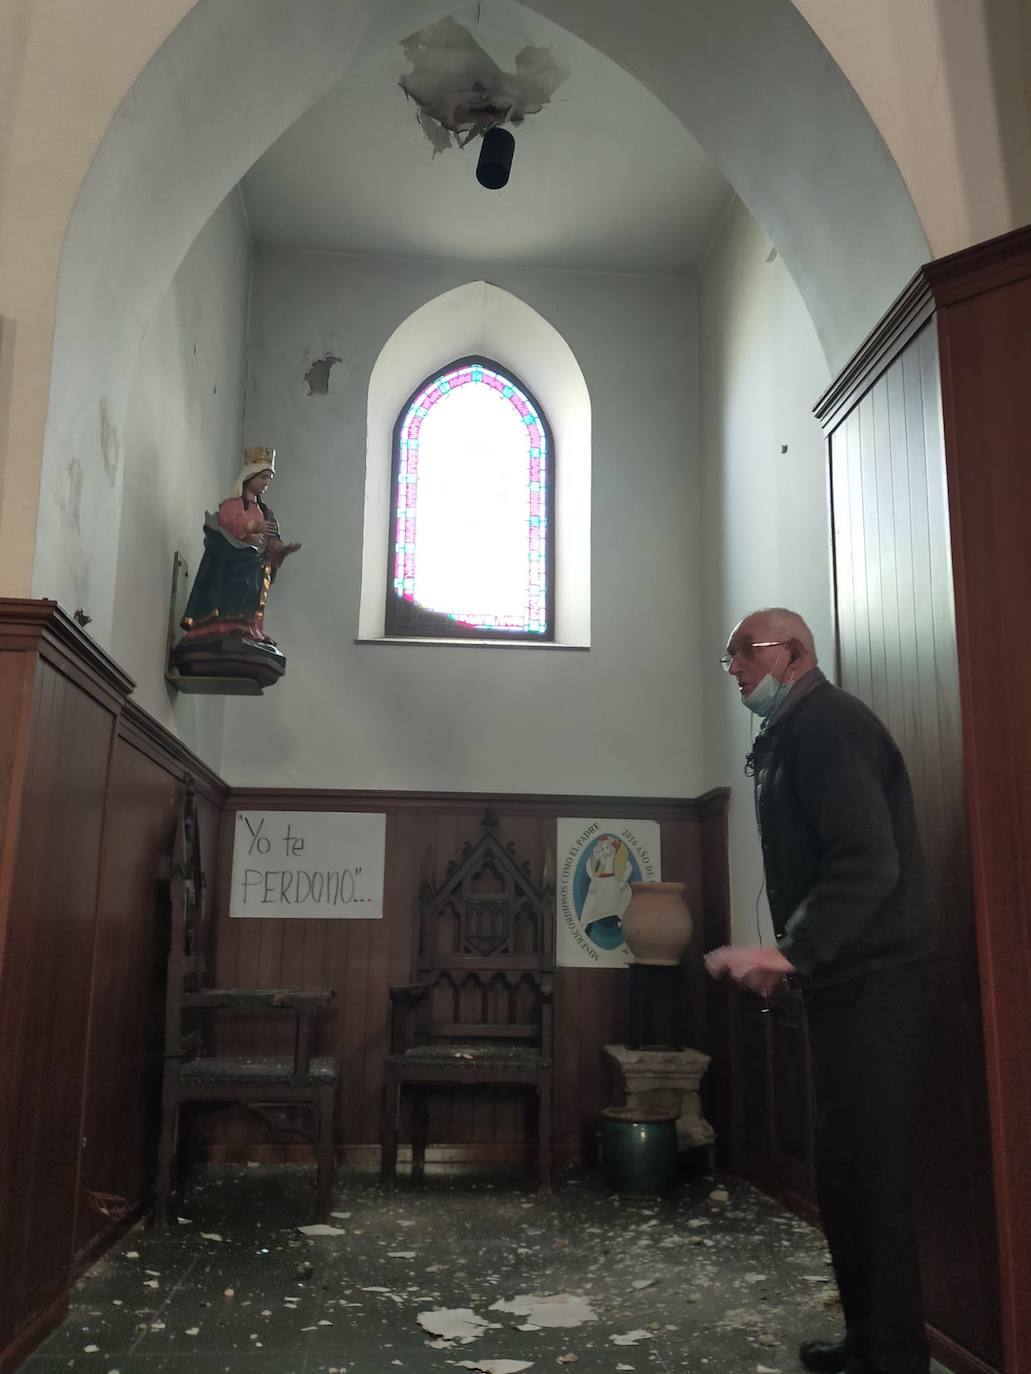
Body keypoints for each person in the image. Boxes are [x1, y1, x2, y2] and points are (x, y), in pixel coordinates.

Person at [704, 608, 937, 1374]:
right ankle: (870, 1342)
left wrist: (788, 951)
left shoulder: (830, 727)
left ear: (793, 654)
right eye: (729, 655)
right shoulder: (792, 734)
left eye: (746, 651)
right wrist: (797, 957)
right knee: (843, 1173)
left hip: (877, 980)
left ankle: (892, 1357)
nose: (733, 666)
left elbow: (868, 863)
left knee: (867, 1173)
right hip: (846, 979)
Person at [178, 446, 301, 649]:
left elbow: (271, 540)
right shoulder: (232, 504)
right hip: (232, 562)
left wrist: (282, 550)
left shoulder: (266, 512)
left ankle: (249, 628)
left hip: (256, 564)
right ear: (249, 476)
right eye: (262, 478)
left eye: (268, 480)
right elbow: (227, 524)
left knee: (256, 579)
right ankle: (225, 625)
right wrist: (253, 526)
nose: (266, 484)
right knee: (243, 580)